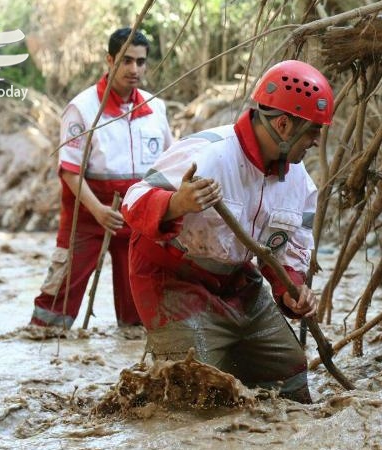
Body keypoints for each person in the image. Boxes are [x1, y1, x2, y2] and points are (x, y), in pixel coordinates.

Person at [122, 60, 333, 403]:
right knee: (197, 387)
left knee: (290, 372)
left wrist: (292, 290)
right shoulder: (207, 152)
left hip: (235, 280)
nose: (316, 140)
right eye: (312, 131)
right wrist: (177, 203)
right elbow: (134, 200)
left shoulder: (300, 185)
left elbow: (285, 253)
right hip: (172, 278)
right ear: (283, 124)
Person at [30, 28, 173, 328]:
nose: (134, 69)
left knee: (138, 315)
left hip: (136, 217)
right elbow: (70, 171)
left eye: (140, 62)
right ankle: (43, 349)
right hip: (87, 214)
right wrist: (99, 211)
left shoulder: (156, 108)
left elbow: (168, 164)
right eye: (126, 61)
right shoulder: (82, 109)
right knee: (55, 308)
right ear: (110, 60)